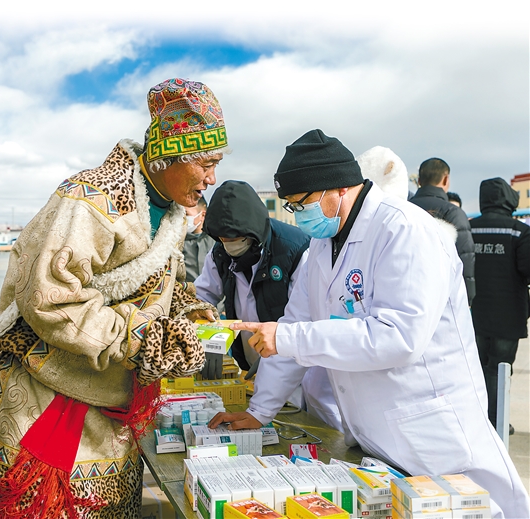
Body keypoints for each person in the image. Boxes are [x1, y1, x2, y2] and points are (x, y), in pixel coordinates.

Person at [210, 129, 529, 518]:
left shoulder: (405, 230)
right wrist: (259, 410)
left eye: (301, 203)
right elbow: (294, 324)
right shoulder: (321, 247)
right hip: (374, 437)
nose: (298, 214)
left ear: (339, 188)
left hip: (433, 435)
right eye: (291, 207)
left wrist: (290, 338)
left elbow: (399, 336)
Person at [0, 78, 226, 518]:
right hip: (48, 395)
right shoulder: (90, 199)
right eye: (206, 164)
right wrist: (141, 340)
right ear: (169, 156)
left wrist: (186, 310)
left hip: (111, 399)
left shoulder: (172, 212)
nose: (211, 180)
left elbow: (159, 283)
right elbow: (49, 297)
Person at [194, 180, 341, 429]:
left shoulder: (294, 250)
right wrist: (201, 310)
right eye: (223, 239)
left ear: (254, 233)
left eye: (237, 239)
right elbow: (204, 293)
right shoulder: (220, 253)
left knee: (304, 422)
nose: (230, 244)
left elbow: (298, 322)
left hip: (297, 367)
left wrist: (263, 405)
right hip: (252, 362)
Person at [469, 178, 530, 432]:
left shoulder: (470, 228)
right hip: (508, 315)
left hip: (476, 314)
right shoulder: (518, 231)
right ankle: (498, 421)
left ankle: (480, 418)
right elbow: (526, 270)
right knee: (501, 369)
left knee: (478, 368)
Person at [409, 158, 476, 304]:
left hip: (407, 293)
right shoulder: (453, 212)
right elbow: (465, 257)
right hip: (442, 298)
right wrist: (468, 298)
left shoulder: (403, 209)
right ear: (446, 180)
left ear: (419, 181)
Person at [183, 196, 215, 282]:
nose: (183, 219)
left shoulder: (216, 241)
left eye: (186, 214)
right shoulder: (177, 243)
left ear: (202, 215)